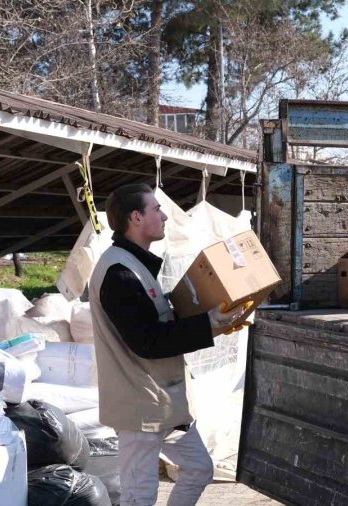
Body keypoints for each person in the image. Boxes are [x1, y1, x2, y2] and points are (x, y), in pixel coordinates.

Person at [88, 183, 245, 506]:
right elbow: (149, 342)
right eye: (156, 209)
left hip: (163, 402)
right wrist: (209, 323)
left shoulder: (135, 266)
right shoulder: (120, 273)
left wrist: (213, 324)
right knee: (139, 497)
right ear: (136, 217)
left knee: (200, 469)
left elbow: (159, 322)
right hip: (139, 406)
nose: (164, 216)